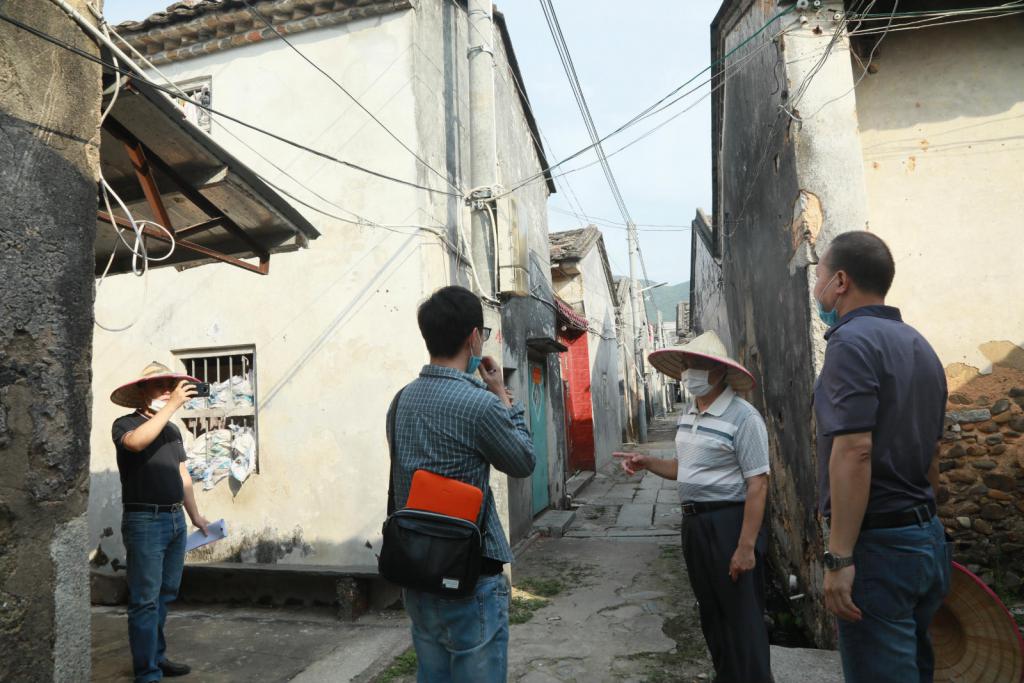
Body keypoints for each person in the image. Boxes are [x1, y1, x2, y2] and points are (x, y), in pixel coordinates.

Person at [813, 231, 949, 683]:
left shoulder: (850, 343)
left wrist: (839, 557)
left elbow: (854, 450)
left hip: (879, 548)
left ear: (840, 281)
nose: (816, 287)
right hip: (925, 538)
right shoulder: (919, 345)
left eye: (818, 275)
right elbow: (932, 454)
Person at [388, 285, 535, 682]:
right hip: (470, 578)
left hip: (418, 573)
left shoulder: (400, 401)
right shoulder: (480, 405)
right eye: (482, 334)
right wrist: (503, 397)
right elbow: (523, 462)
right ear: (473, 338)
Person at [615, 330, 772, 683]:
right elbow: (683, 468)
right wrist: (647, 462)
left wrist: (746, 547)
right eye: (686, 364)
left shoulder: (743, 418)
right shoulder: (689, 414)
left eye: (697, 364)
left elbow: (758, 483)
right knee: (712, 613)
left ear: (719, 370)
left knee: (742, 618)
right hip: (695, 526)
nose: (688, 372)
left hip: (729, 523)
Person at [110, 362, 211, 683]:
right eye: (159, 386)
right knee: (145, 601)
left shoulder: (172, 430)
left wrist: (195, 516)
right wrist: (172, 405)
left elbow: (183, 475)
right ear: (142, 391)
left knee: (166, 594)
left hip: (174, 520)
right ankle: (147, 673)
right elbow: (137, 443)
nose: (167, 391)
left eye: (171, 386)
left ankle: (155, 657)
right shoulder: (125, 423)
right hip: (145, 521)